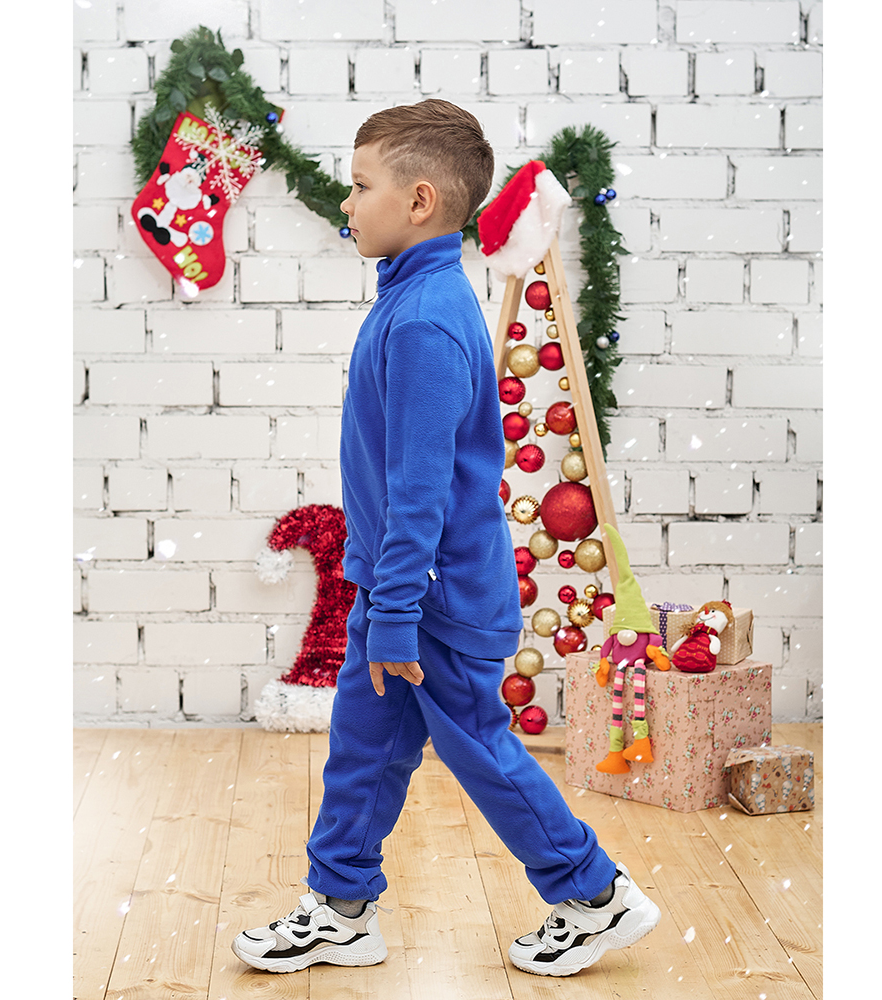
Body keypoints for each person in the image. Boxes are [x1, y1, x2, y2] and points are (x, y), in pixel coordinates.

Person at [231, 98, 660, 979]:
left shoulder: (425, 320)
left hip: (429, 603)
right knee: (362, 751)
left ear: (419, 200)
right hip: (397, 594)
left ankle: (595, 894)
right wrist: (383, 604)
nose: (347, 203)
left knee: (482, 753)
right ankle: (341, 906)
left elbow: (419, 494)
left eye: (360, 186)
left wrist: (393, 614)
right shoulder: (412, 299)